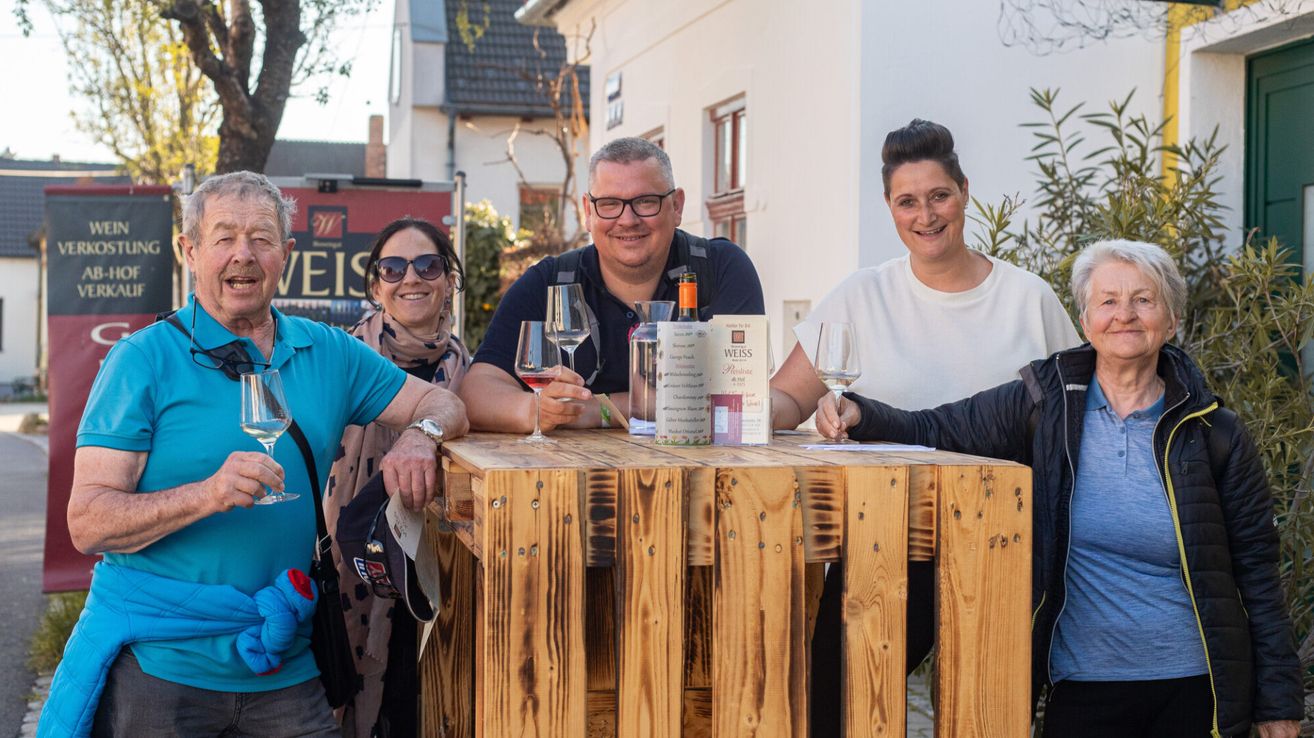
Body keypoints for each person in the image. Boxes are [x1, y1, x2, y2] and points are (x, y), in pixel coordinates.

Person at [819, 240, 1303, 738]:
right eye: (1108, 301)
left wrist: (1278, 702)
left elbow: (1257, 575)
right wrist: (861, 413)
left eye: (1143, 299)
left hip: (1196, 689)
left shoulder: (1214, 432)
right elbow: (941, 427)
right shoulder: (1044, 406)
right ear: (1086, 319)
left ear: (1171, 320)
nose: (1125, 315)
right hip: (1082, 684)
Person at [43, 171, 468, 738]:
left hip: (284, 666)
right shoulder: (140, 361)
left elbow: (444, 400)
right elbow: (88, 521)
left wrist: (423, 434)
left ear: (285, 254)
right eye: (224, 237)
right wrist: (207, 495)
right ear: (189, 251)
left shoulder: (329, 352)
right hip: (162, 668)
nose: (243, 255)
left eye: (262, 238)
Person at [769, 119, 1080, 732]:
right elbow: (785, 398)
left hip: (1001, 547)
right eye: (907, 201)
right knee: (836, 708)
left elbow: (1076, 423)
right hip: (881, 540)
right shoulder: (861, 295)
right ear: (889, 207)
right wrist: (731, 400)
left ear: (965, 192)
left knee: (985, 718)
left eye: (939, 196)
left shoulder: (1028, 299)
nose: (926, 215)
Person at [458, 136, 765, 432]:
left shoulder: (721, 269)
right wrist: (539, 410)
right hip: (569, 482)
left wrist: (597, 409)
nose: (628, 219)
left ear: (677, 206)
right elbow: (477, 393)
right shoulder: (549, 283)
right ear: (588, 212)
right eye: (609, 204)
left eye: (646, 202)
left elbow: (744, 401)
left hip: (706, 479)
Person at [323, 217, 471, 737]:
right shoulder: (340, 359)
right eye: (393, 267)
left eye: (428, 265)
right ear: (375, 285)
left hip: (435, 575)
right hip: (352, 573)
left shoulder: (467, 369)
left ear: (449, 279)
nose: (412, 278)